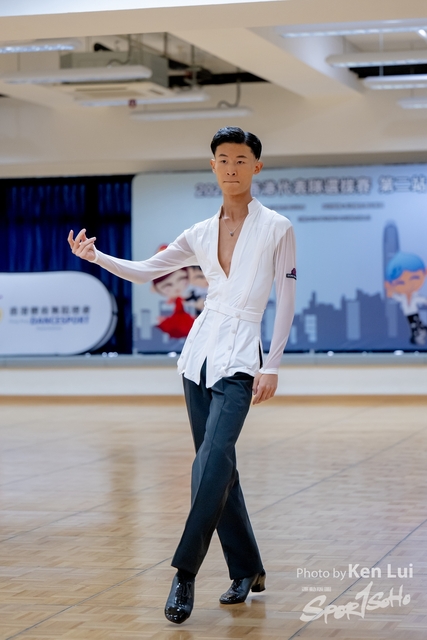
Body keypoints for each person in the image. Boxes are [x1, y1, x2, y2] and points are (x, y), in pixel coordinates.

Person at [68, 126, 296, 624]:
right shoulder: (199, 231)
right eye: (223, 160)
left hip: (242, 358)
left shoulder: (277, 227)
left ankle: (184, 573)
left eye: (241, 160)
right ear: (212, 166)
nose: (231, 168)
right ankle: (248, 568)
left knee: (208, 465)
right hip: (198, 357)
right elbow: (147, 270)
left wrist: (273, 363)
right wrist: (95, 257)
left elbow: (286, 299)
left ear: (257, 167)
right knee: (218, 467)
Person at [385, 251, 427, 345]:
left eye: (414, 278)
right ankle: (417, 338)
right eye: (400, 282)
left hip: (414, 315)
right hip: (409, 316)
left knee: (418, 326)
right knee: (415, 327)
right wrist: (391, 293)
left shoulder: (415, 296)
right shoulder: (403, 297)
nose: (409, 285)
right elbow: (398, 298)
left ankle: (419, 335)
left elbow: (420, 300)